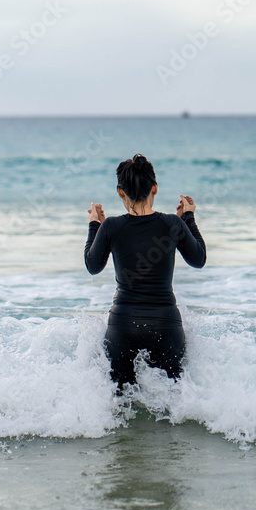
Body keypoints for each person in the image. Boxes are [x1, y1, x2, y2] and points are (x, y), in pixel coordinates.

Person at [83, 154, 206, 388]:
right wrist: (188, 218)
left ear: (120, 191)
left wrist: (94, 225)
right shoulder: (173, 223)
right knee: (172, 407)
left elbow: (93, 266)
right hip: (166, 325)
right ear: (155, 188)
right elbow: (199, 259)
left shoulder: (111, 226)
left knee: (120, 407)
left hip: (123, 326)